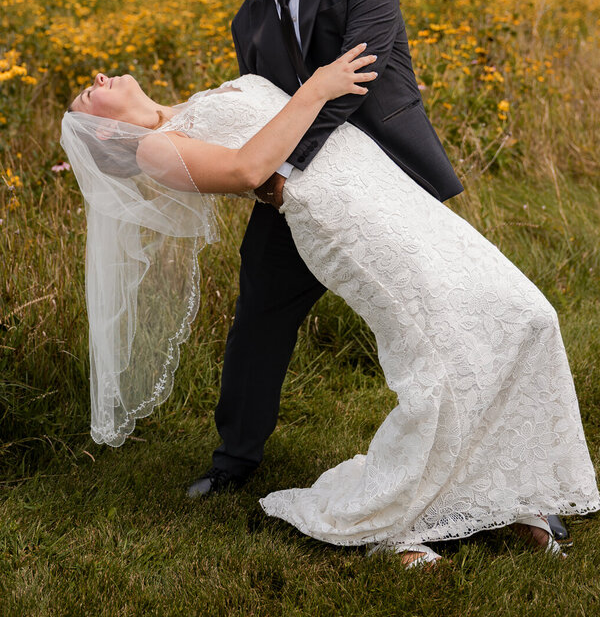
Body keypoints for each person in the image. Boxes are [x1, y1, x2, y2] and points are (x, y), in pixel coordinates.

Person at [61, 58, 599, 566]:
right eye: (90, 93)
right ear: (104, 134)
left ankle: (507, 489)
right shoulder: (154, 149)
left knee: (527, 312)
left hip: (384, 188)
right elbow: (247, 168)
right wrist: (317, 87)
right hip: (341, 215)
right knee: (438, 347)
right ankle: (396, 526)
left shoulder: (190, 104)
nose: (100, 77)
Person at [188, 0, 463, 501]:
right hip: (300, 199)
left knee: (441, 318)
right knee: (258, 312)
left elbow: (357, 75)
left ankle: (470, 457)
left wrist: (282, 166)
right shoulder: (247, 22)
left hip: (391, 177)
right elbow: (265, 112)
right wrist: (270, 175)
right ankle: (234, 459)